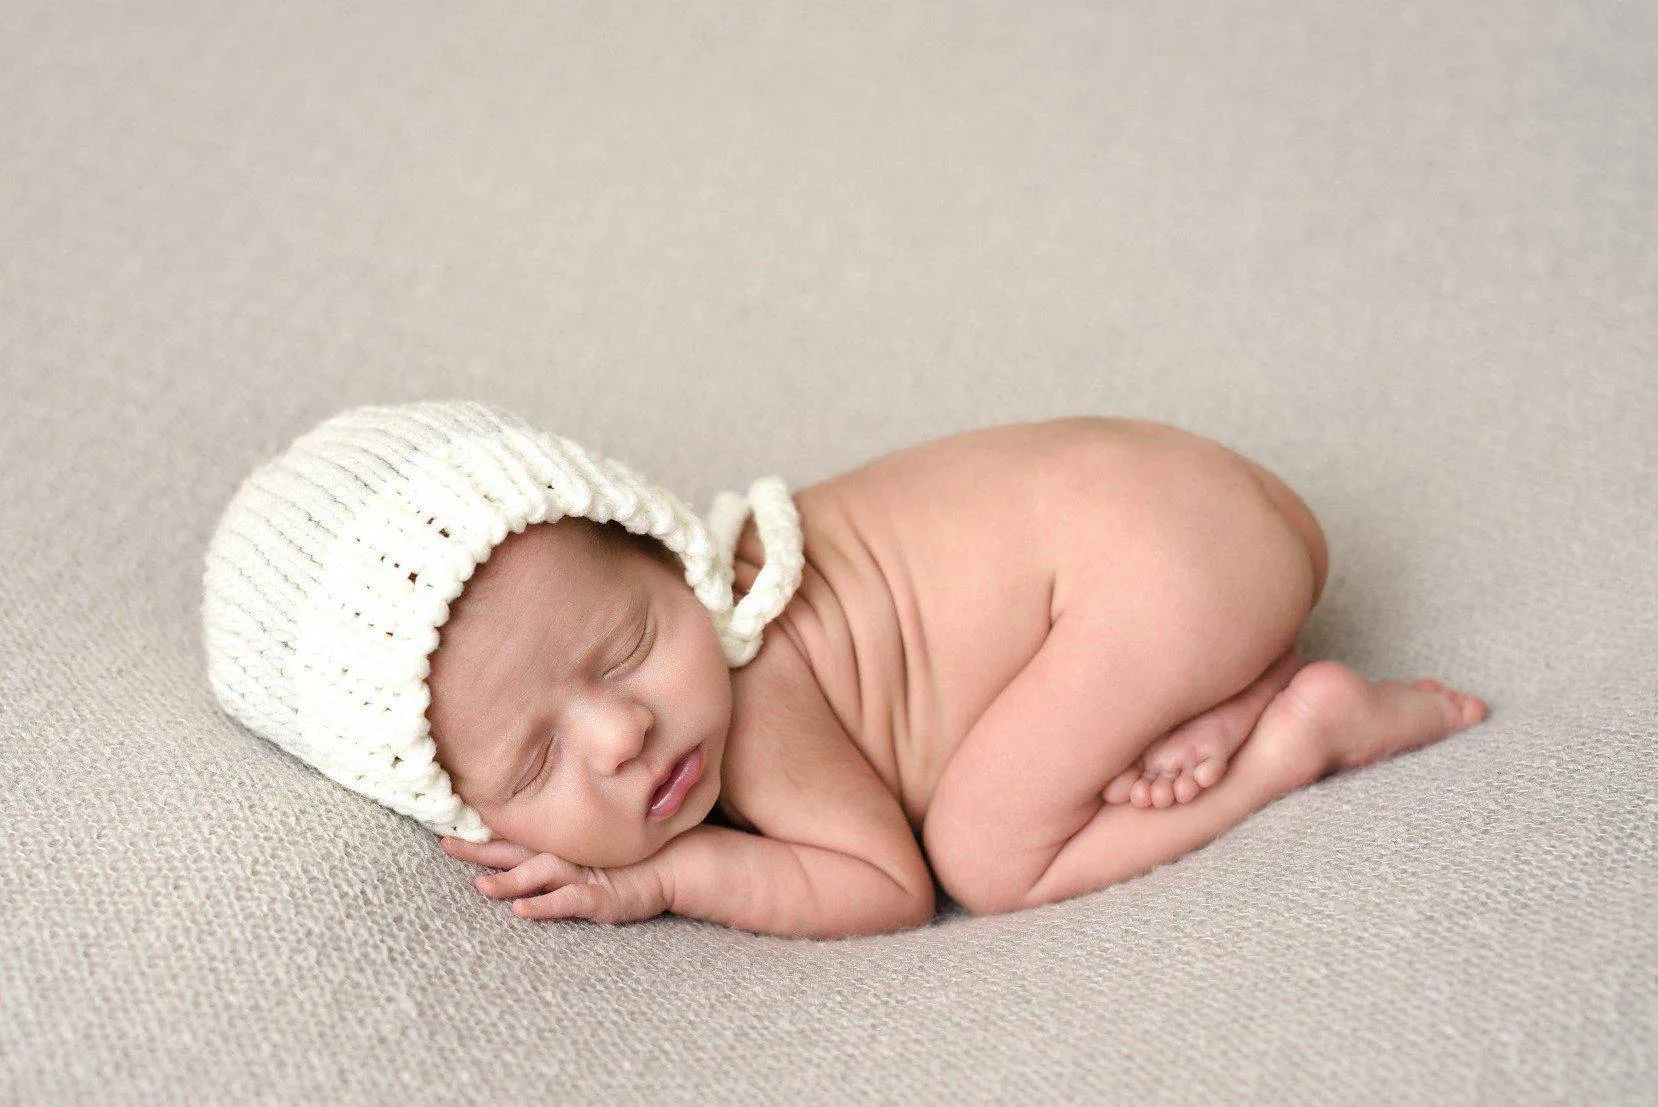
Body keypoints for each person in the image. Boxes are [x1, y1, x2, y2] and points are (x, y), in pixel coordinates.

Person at [202, 400, 1486, 938]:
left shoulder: (753, 692)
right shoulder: (696, 638)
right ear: (451, 803)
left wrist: (674, 878)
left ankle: (1293, 731)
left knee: (984, 853)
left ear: (668, 552)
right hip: (1197, 517)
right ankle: (1228, 680)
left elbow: (879, 885)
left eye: (632, 644)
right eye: (536, 758)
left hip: (1162, 568)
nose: (623, 735)